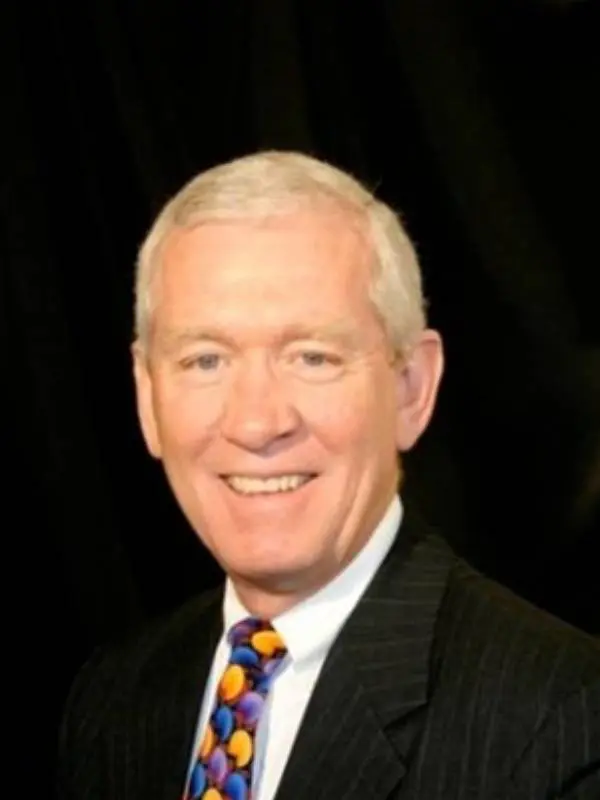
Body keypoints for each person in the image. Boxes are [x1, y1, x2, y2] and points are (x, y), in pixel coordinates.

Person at [57, 150, 600, 800]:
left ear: (410, 390)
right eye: (205, 360)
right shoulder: (111, 701)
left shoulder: (564, 718)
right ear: (147, 397)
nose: (257, 423)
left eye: (311, 356)